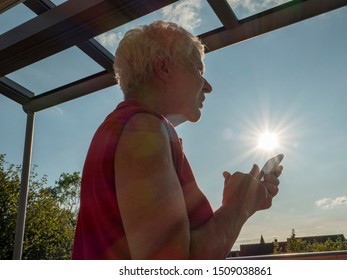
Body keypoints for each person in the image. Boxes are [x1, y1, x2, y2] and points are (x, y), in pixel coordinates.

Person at [72, 20, 283, 260]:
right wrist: (239, 206)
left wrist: (241, 201)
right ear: (164, 68)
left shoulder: (125, 128)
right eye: (198, 70)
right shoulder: (143, 130)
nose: (208, 86)